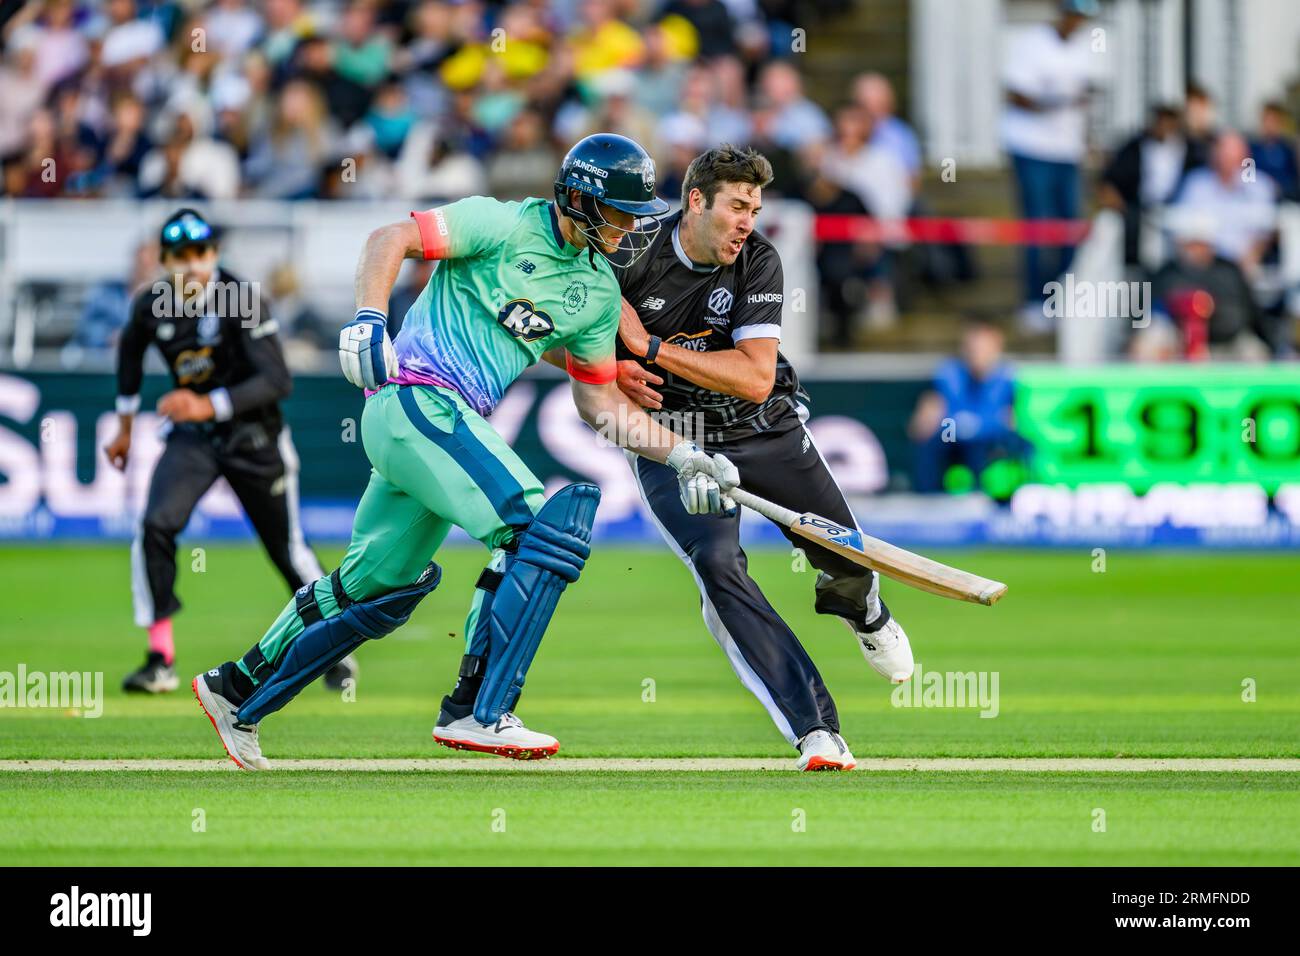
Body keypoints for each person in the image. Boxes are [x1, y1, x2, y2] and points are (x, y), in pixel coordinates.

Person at [191, 134, 739, 770]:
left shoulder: (596, 291)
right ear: (582, 200)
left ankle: (235, 690)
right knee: (535, 530)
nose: (628, 229)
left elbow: (600, 406)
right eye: (618, 214)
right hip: (415, 402)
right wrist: (368, 319)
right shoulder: (500, 222)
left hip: (436, 431)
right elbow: (387, 239)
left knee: (376, 587)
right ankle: (479, 711)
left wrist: (684, 454)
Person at [611, 145, 914, 772]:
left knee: (843, 558)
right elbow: (561, 341)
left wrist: (649, 346)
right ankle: (815, 729)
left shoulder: (759, 260)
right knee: (718, 565)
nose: (749, 219)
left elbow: (754, 378)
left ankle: (863, 607)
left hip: (763, 425)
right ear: (696, 201)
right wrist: (613, 366)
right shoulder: (625, 253)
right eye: (738, 206)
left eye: (756, 206)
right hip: (678, 433)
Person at [106, 209, 349, 694]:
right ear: (164, 261)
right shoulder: (150, 305)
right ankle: (161, 658)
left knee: (288, 551)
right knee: (155, 525)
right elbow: (129, 354)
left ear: (214, 255)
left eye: (201, 254)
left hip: (255, 438)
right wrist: (125, 425)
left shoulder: (241, 299)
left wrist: (205, 403)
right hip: (196, 440)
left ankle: (335, 649)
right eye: (180, 257)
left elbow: (277, 380)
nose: (192, 266)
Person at [1000, 0, 1101, 330]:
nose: (1077, 23)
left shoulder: (1084, 49)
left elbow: (1082, 103)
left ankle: (1062, 299)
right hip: (1032, 149)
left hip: (1066, 152)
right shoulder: (1032, 43)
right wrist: (1056, 102)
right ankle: (1034, 300)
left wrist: (1086, 141)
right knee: (1038, 227)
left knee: (1070, 227)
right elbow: (1015, 94)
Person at [908, 320, 1023, 493]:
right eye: (973, 348)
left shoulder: (1009, 378)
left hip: (990, 442)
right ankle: (927, 498)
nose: (977, 354)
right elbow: (927, 422)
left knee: (986, 450)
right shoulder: (948, 374)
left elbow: (1012, 423)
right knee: (933, 446)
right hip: (953, 437)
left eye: (983, 349)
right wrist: (927, 419)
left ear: (996, 348)